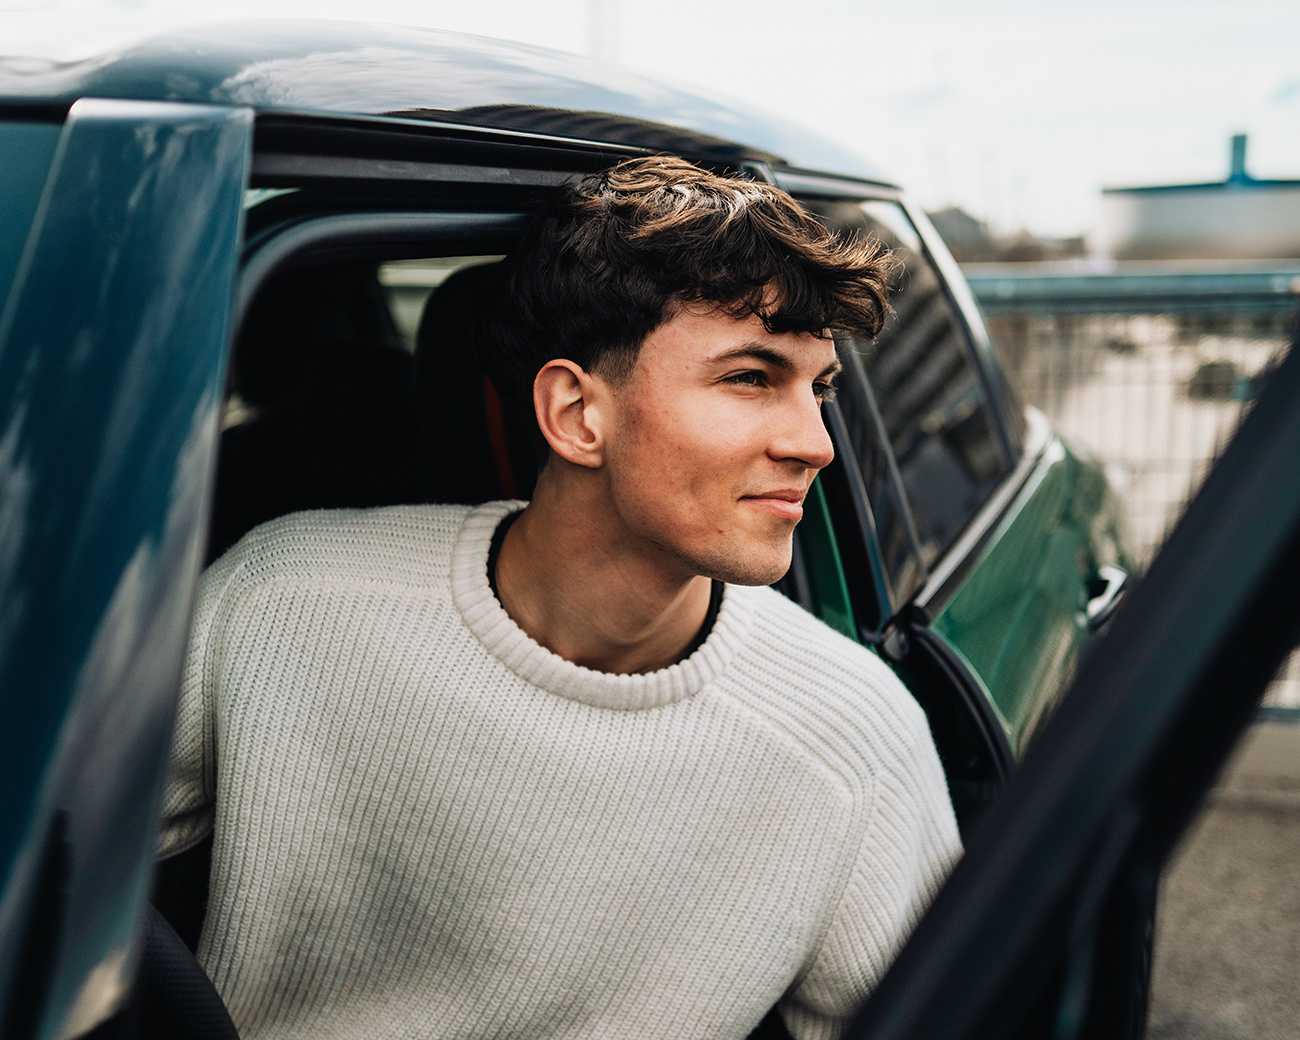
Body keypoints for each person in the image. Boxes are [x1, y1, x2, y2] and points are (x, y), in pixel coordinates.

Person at [159, 156, 961, 1040]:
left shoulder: (855, 737)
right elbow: (58, 865)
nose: (817, 444)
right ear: (577, 414)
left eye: (821, 388)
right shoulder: (281, 603)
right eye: (750, 378)